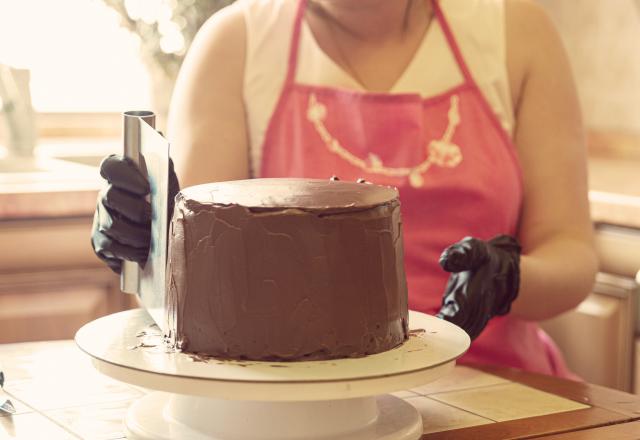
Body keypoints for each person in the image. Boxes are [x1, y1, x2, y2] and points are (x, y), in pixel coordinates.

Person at [92, 0, 598, 378]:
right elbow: (199, 266)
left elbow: (572, 253)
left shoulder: (517, 33)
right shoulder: (237, 43)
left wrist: (508, 279)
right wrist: (146, 238)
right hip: (293, 398)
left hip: (501, 383)